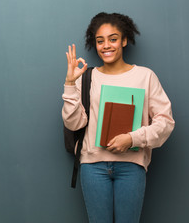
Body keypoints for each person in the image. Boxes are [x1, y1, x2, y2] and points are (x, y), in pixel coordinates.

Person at [62, 12, 175, 223]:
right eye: (100, 41)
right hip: (92, 166)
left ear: (124, 40)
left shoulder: (145, 76)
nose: (106, 45)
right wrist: (69, 84)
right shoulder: (86, 77)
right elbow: (73, 123)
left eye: (113, 39)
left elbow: (165, 122)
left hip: (131, 166)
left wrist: (133, 139)